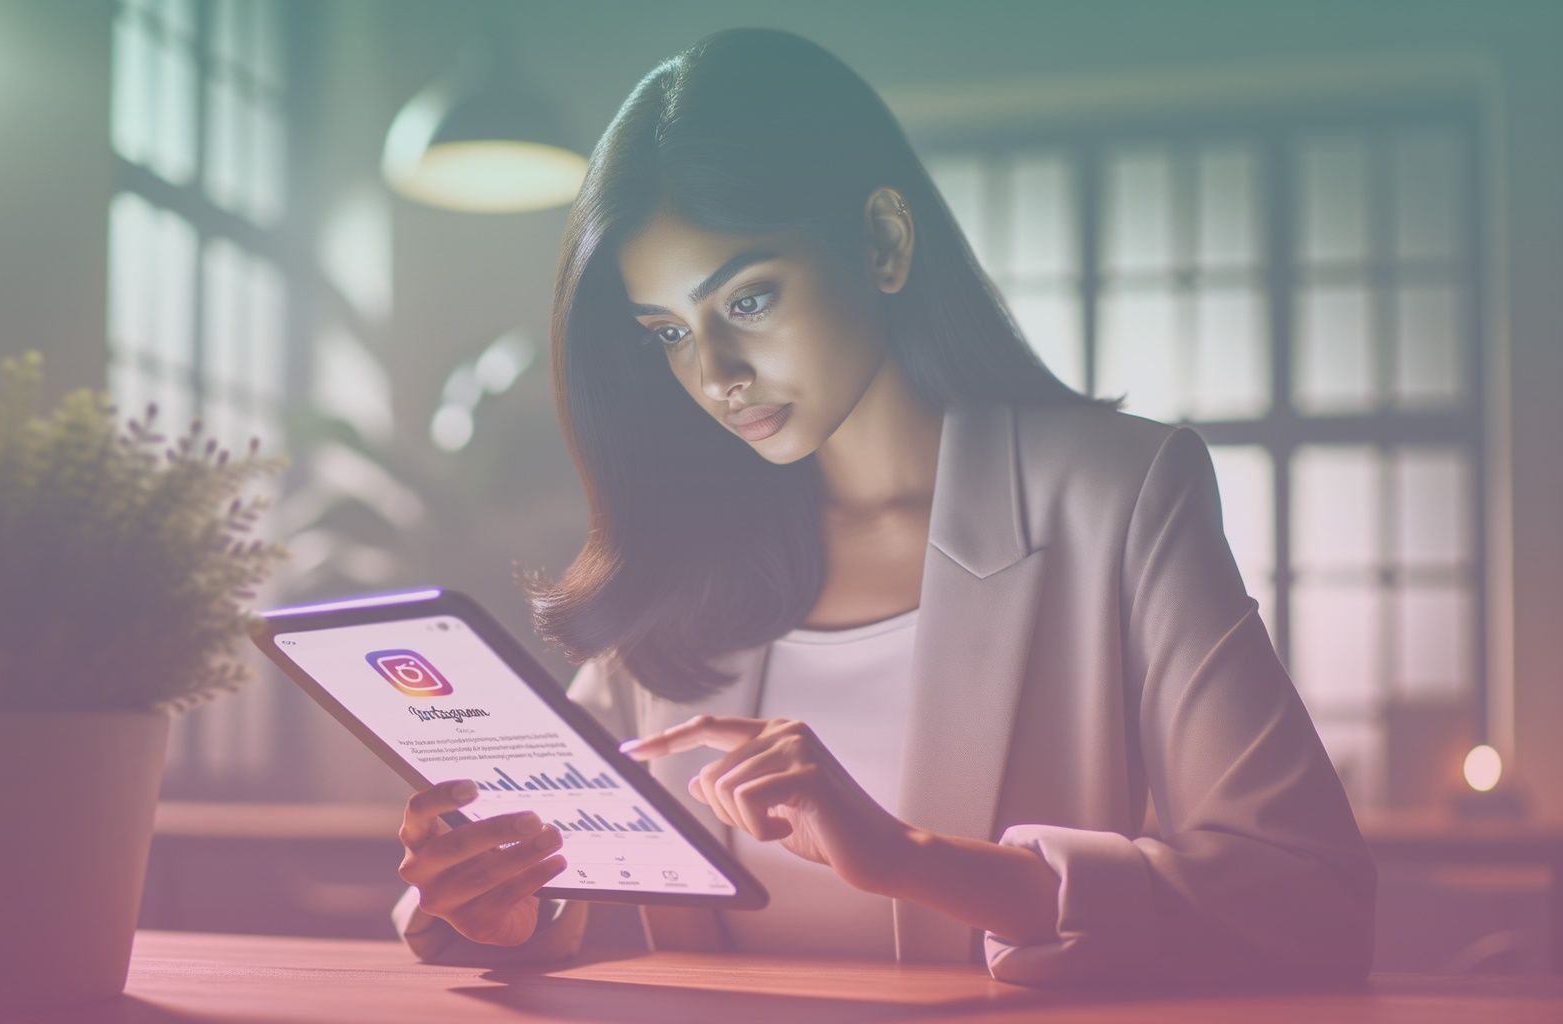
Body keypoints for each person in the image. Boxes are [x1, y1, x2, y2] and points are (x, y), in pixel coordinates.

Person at [388, 27, 1375, 988]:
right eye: (666, 332)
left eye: (746, 302)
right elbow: (559, 864)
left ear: (883, 242)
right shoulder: (683, 548)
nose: (715, 374)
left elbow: (1306, 902)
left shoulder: (1116, 495)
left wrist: (908, 855)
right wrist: (502, 908)